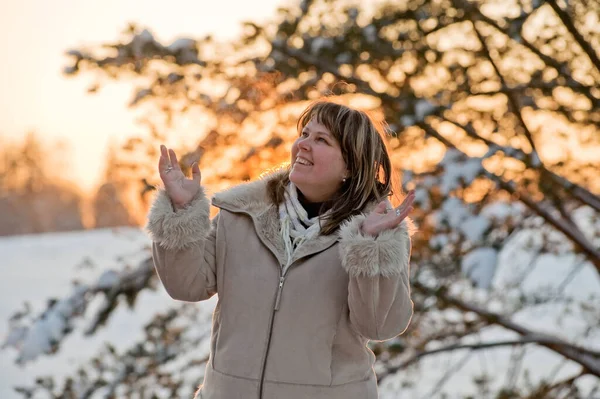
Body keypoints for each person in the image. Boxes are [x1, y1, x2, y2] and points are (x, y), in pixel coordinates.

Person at [146, 100, 416, 399]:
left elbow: (380, 325)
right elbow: (186, 285)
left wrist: (370, 247)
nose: (303, 145)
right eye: (304, 134)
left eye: (321, 140)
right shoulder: (242, 215)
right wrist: (181, 211)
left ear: (351, 165)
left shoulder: (376, 232)